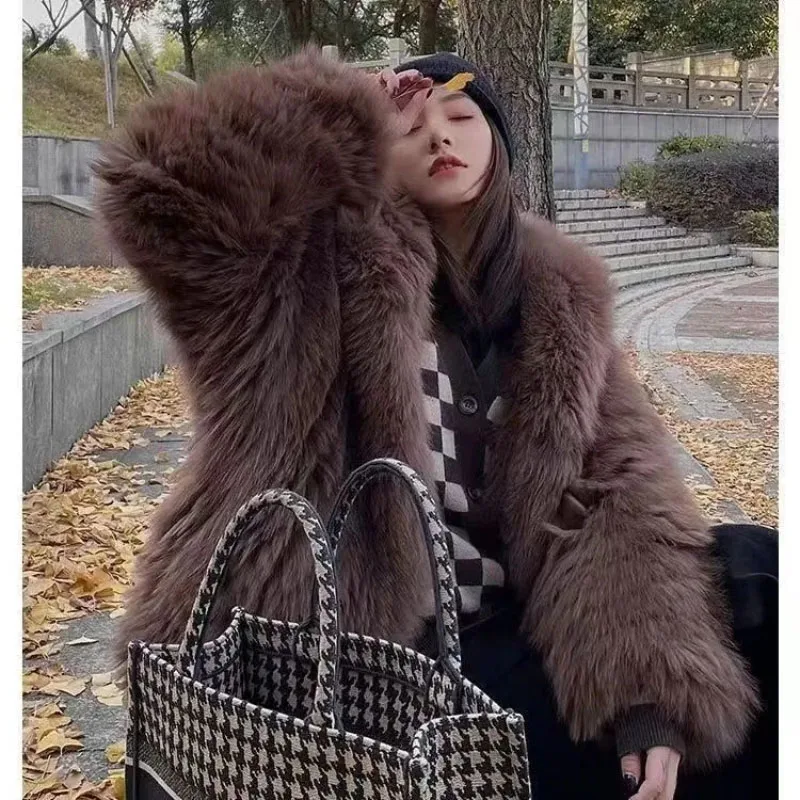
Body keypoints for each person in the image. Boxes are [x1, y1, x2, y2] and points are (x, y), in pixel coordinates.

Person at [95, 49, 777, 799]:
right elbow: (158, 196)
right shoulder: (299, 267)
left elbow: (612, 496)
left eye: (461, 116)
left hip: (499, 628)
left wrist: (647, 690)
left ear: (500, 143)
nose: (440, 137)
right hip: (336, 654)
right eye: (411, 126)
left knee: (759, 575)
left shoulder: (558, 299)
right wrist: (335, 110)